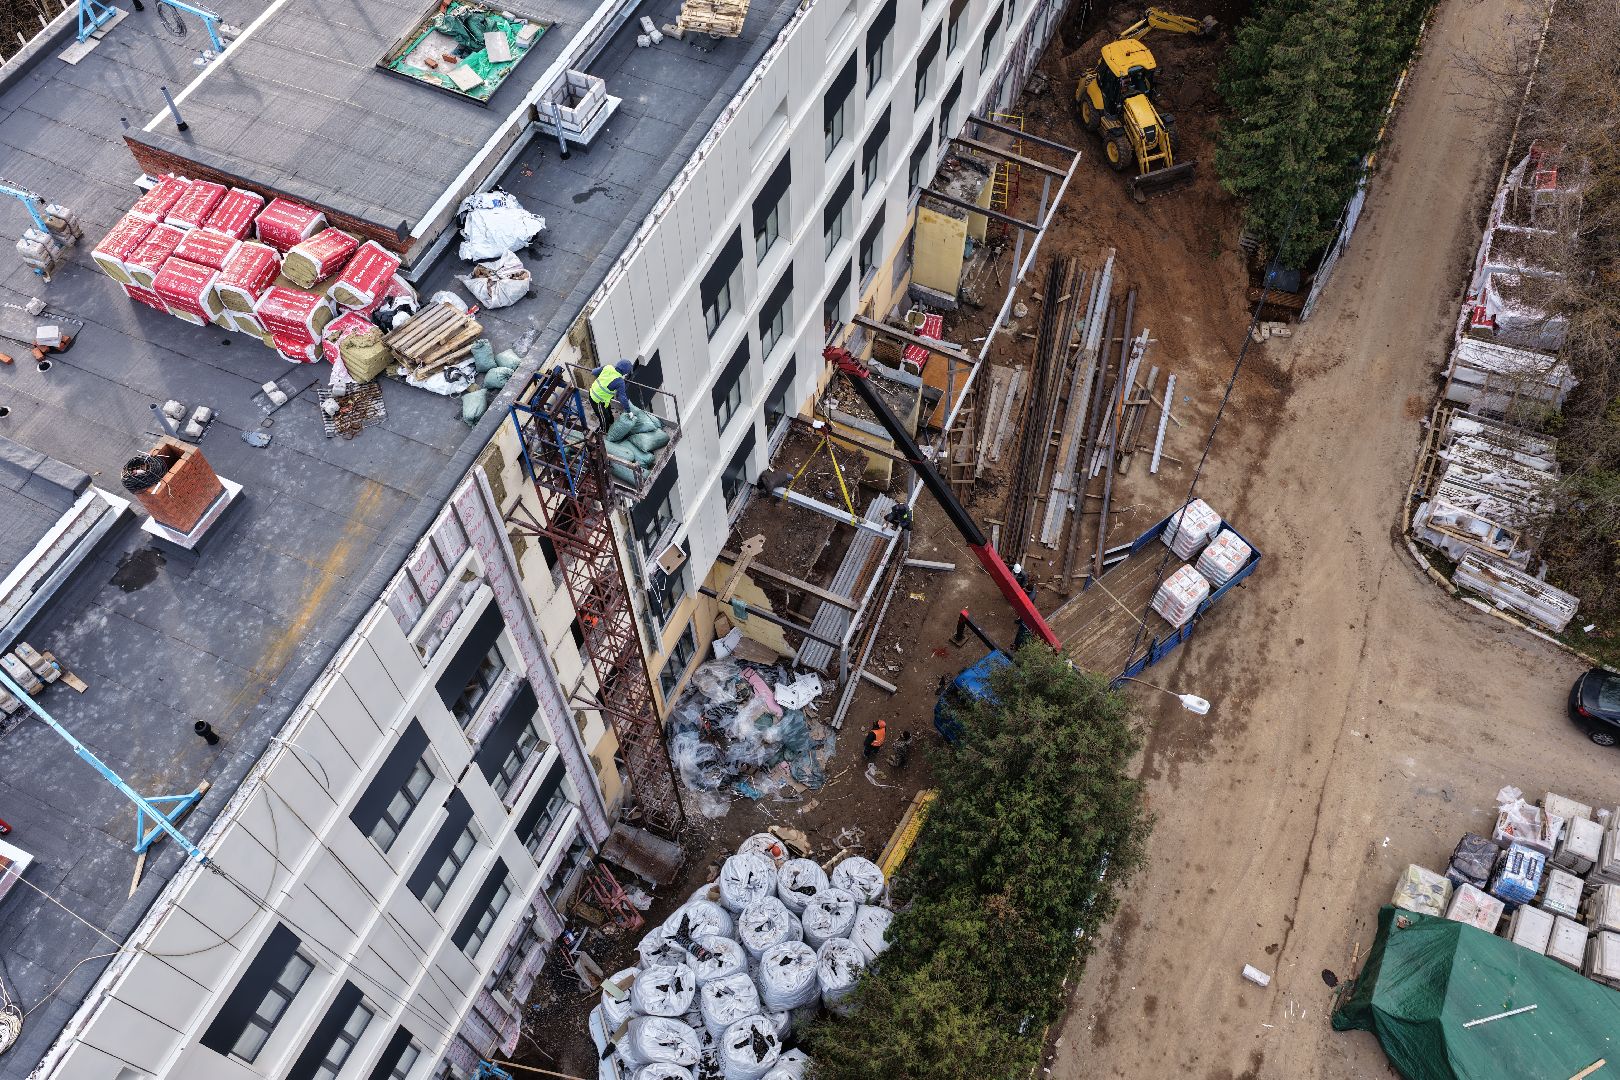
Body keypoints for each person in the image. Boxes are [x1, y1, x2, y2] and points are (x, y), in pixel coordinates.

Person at [588, 358, 634, 429]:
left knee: (608, 410)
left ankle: (611, 421)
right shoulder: (619, 381)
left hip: (593, 392)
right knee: (604, 418)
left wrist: (603, 379)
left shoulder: (608, 367)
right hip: (597, 400)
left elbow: (593, 372)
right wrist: (629, 411)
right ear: (625, 372)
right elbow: (622, 398)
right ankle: (603, 431)